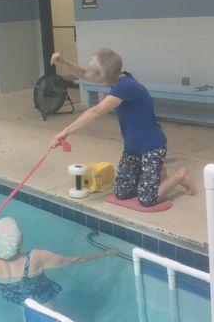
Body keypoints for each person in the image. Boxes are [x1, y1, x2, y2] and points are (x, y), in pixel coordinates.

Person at [50, 49, 196, 207]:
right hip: (132, 148)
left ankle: (179, 177)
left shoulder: (125, 87)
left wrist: (65, 132)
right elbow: (85, 73)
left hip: (152, 147)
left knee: (147, 199)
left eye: (99, 74)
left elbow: (96, 112)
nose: (96, 78)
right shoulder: (118, 78)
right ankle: (158, 173)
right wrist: (63, 61)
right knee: (122, 192)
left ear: (110, 73)